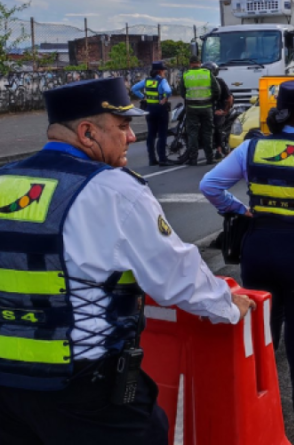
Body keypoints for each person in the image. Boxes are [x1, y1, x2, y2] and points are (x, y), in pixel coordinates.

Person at [0, 77, 253, 444]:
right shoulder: (113, 191)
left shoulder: (6, 180)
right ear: (87, 132)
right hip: (85, 390)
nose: (131, 137)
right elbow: (176, 275)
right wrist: (228, 306)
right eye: (121, 127)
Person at [200, 80, 294, 444]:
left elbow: (209, 185)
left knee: (260, 338)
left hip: (259, 249)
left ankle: (253, 417)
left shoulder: (251, 148)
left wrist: (240, 210)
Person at [131, 60, 173, 166]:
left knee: (151, 135)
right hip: (160, 109)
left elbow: (134, 88)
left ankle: (152, 159)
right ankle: (162, 159)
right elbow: (168, 91)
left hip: (149, 109)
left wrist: (143, 97)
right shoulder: (162, 81)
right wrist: (164, 98)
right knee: (162, 135)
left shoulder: (147, 80)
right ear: (160, 71)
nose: (164, 72)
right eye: (163, 70)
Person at [178, 56, 219, 165]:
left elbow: (181, 91)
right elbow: (217, 90)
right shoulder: (207, 73)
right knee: (207, 132)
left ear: (190, 64)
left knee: (192, 133)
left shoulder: (186, 75)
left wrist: (189, 99)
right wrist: (211, 101)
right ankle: (209, 158)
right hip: (206, 108)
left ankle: (193, 159)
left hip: (191, 108)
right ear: (200, 63)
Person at [205, 61, 233, 161]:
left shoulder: (219, 82)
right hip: (206, 110)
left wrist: (224, 111)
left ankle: (219, 150)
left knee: (217, 126)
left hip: (218, 110)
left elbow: (229, 98)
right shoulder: (203, 84)